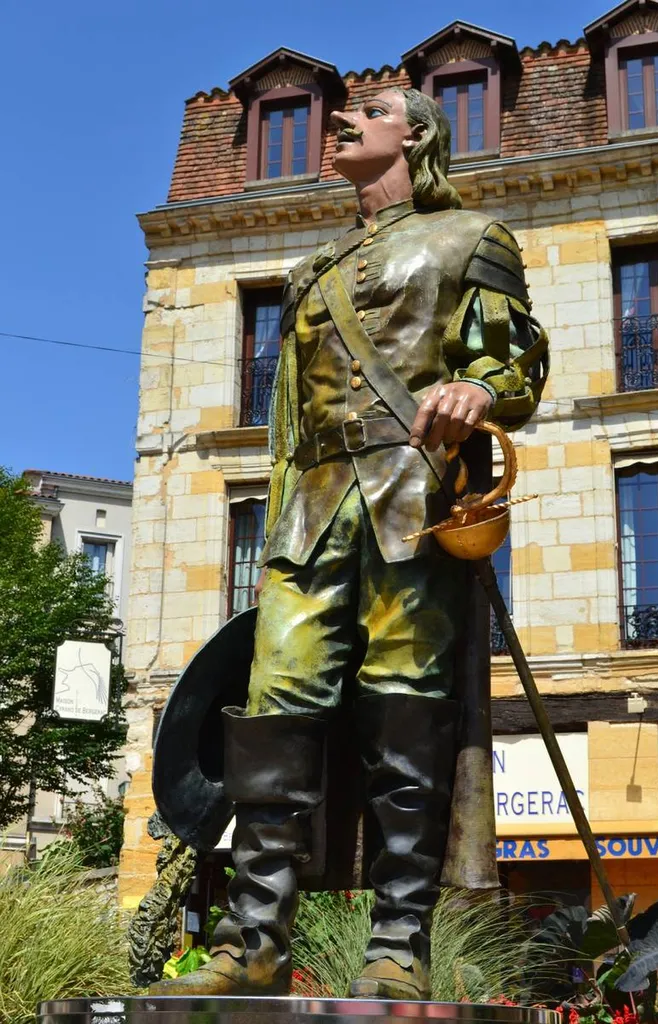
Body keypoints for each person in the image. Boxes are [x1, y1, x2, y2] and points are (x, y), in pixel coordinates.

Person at [151, 86, 548, 1001]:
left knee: (405, 716)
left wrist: (479, 391)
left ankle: (398, 944)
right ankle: (255, 942)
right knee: (272, 713)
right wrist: (278, 498)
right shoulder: (310, 269)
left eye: (364, 112)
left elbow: (517, 363)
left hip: (410, 503)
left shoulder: (469, 239)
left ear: (416, 134)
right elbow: (288, 418)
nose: (339, 123)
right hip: (309, 510)